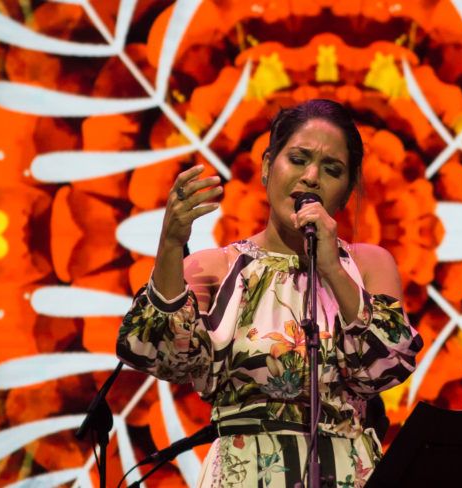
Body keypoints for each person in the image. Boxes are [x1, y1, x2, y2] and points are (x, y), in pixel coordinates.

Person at [117, 99, 423, 487]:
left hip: (347, 471)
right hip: (244, 473)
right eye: (298, 159)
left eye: (332, 170)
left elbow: (384, 366)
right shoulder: (218, 268)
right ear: (266, 167)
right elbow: (157, 354)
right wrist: (170, 244)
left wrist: (329, 266)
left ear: (346, 192)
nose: (312, 177)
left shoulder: (366, 266)